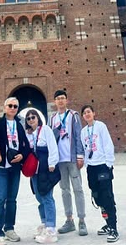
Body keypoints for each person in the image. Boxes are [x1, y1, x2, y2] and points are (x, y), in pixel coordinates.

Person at [0, 97, 30, 245]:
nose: (13, 108)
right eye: (10, 106)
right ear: (5, 107)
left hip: (15, 168)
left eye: (15, 106)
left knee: (12, 199)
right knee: (1, 199)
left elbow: (26, 145)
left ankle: (9, 228)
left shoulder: (19, 125)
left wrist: (22, 155)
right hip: (2, 167)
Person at [49, 90, 88, 236]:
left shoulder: (73, 115)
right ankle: (69, 220)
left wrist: (80, 156)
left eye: (62, 98)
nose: (60, 101)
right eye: (58, 98)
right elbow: (50, 139)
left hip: (72, 158)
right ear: (55, 101)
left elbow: (78, 135)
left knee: (78, 189)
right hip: (60, 161)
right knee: (64, 190)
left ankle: (82, 220)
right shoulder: (52, 118)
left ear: (66, 100)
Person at [80, 104, 120, 243]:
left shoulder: (100, 126)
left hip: (102, 165)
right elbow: (85, 148)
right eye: (84, 113)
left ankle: (113, 227)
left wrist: (108, 163)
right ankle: (107, 223)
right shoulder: (83, 131)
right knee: (97, 197)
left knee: (107, 196)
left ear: (94, 113)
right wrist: (86, 164)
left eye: (89, 112)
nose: (87, 114)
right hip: (91, 167)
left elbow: (108, 144)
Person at [25, 109, 60, 244]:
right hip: (35, 171)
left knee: (47, 196)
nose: (31, 120)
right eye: (28, 118)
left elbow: (52, 146)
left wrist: (52, 163)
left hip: (45, 168)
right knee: (39, 197)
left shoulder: (45, 130)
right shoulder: (28, 134)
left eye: (33, 117)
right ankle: (45, 223)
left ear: (38, 118)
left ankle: (51, 229)